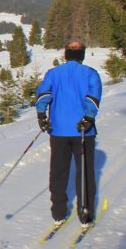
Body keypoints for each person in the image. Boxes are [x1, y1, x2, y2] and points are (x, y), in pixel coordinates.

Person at [34, 39, 102, 225]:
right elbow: (93, 97)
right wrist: (88, 118)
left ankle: (58, 212)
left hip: (58, 131)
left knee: (58, 172)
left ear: (66, 54)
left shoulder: (54, 73)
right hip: (83, 132)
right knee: (85, 173)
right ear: (82, 54)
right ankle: (85, 213)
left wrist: (41, 115)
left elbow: (44, 94)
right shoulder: (90, 73)